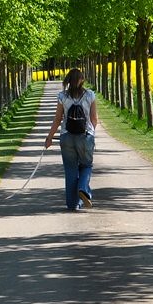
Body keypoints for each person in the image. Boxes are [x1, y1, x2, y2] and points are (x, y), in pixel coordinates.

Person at [44, 68, 97, 211]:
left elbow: (57, 119)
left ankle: (73, 204)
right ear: (82, 80)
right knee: (86, 166)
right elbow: (94, 119)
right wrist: (92, 133)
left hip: (66, 136)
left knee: (70, 170)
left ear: (68, 80)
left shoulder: (62, 96)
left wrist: (49, 138)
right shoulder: (90, 95)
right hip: (85, 135)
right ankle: (83, 189)